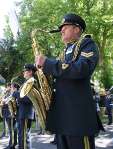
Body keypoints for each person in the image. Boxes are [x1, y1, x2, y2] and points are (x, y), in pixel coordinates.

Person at [35, 13, 99, 149]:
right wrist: (44, 73)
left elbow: (82, 68)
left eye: (65, 26)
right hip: (61, 118)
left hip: (78, 119)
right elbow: (61, 74)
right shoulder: (63, 52)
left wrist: (49, 64)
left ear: (77, 29)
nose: (61, 30)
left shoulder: (87, 44)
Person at [17, 64, 35, 149]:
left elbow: (29, 99)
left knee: (23, 136)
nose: (23, 72)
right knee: (22, 135)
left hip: (26, 112)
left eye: (25, 71)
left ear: (31, 72)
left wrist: (16, 95)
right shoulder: (27, 82)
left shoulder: (31, 82)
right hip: (23, 112)